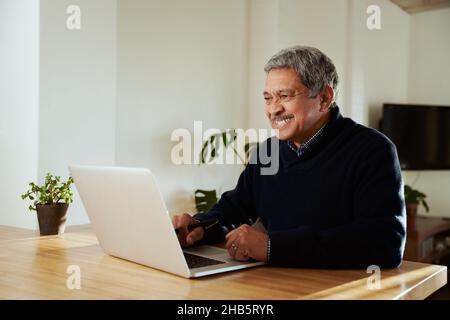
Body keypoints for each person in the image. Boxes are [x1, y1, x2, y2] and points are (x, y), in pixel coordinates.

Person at [172, 46, 406, 269]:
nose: (273, 109)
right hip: (275, 284)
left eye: (284, 95)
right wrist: (200, 226)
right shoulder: (268, 152)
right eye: (267, 98)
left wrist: (273, 247)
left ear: (324, 98)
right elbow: (234, 208)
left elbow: (385, 242)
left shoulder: (373, 151)